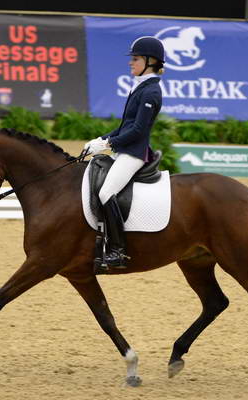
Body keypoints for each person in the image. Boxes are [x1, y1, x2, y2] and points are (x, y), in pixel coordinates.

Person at [84, 36, 165, 270]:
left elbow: (138, 131)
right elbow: (125, 126)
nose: (131, 63)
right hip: (124, 149)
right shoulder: (140, 87)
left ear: (150, 62)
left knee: (106, 192)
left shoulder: (151, 92)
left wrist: (109, 145)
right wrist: (101, 140)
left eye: (136, 59)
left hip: (134, 153)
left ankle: (117, 251)